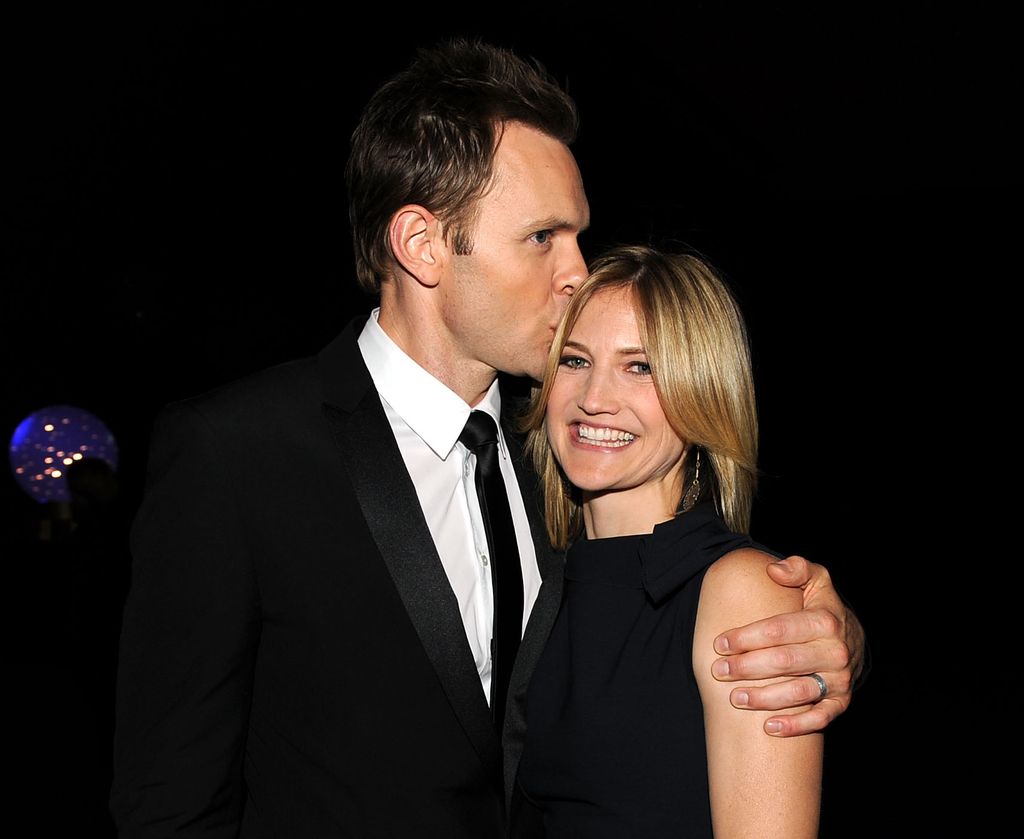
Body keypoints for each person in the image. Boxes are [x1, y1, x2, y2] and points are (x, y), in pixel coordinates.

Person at [110, 38, 863, 837]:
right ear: (423, 245)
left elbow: (677, 622)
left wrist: (835, 637)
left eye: (578, 235)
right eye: (543, 236)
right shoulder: (240, 453)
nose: (578, 270)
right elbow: (171, 803)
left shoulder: (566, 448)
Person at [516, 244, 824, 837]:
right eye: (575, 361)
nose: (594, 398)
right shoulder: (537, 570)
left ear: (702, 390)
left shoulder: (742, 590)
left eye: (641, 367)